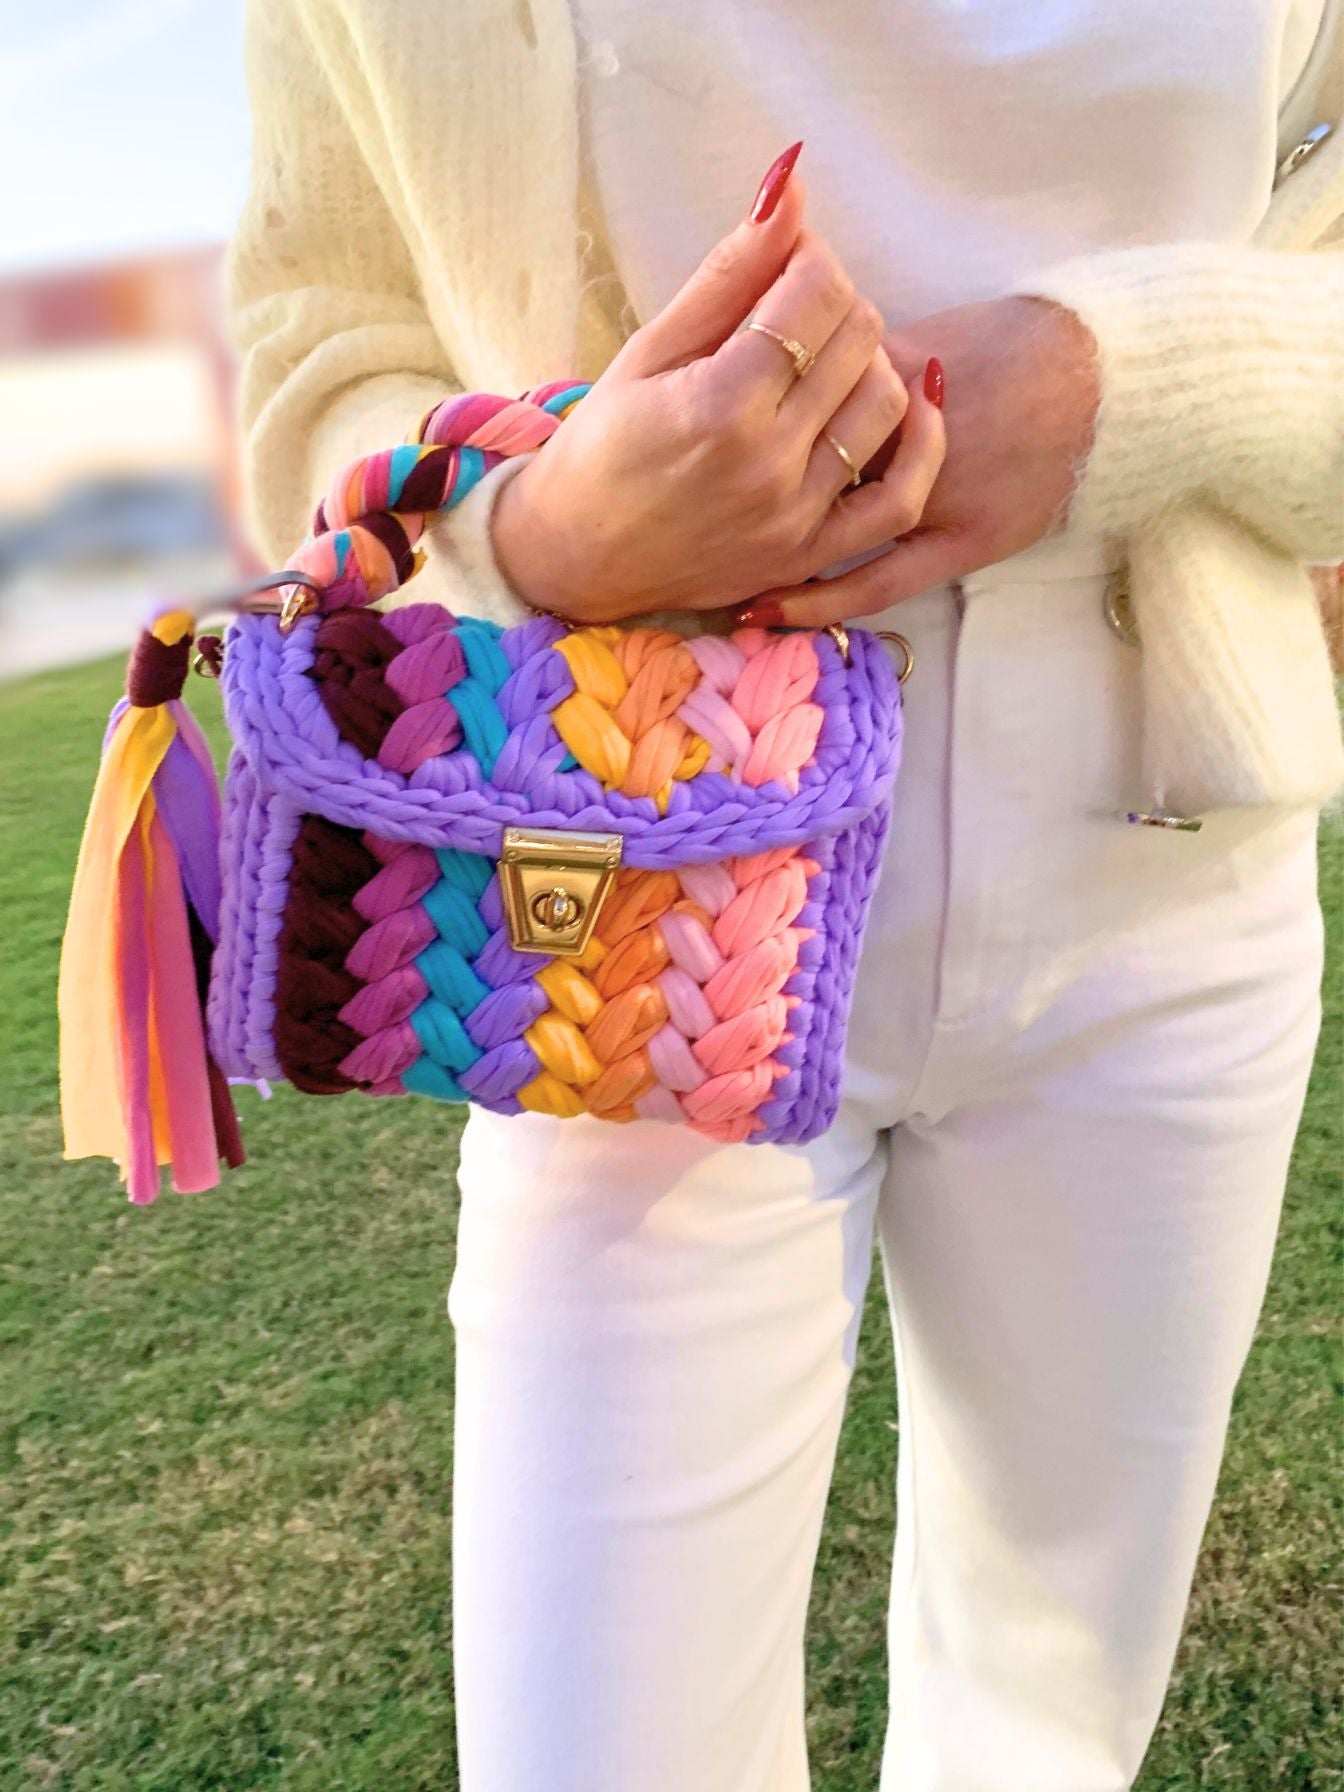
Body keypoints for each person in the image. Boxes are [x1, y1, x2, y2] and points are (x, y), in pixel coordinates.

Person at [227, 2, 1344, 1786]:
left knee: (1045, 1730)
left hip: (1168, 881)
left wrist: (1110, 386)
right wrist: (535, 531)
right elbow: (318, 353)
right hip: (626, 892)